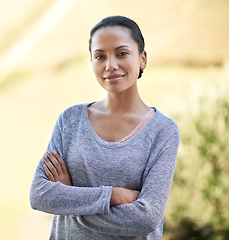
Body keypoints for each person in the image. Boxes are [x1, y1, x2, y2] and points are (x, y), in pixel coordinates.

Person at [29, 15, 180, 240]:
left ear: (142, 59)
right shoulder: (70, 120)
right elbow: (39, 195)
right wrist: (111, 196)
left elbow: (145, 219)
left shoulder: (163, 131)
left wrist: (70, 198)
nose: (110, 65)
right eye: (100, 56)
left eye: (121, 53)